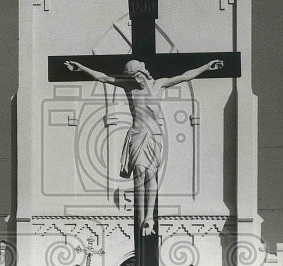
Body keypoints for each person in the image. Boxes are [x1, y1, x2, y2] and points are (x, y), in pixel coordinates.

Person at [64, 57, 224, 236]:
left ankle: (150, 217)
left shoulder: (160, 85)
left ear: (144, 73)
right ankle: (141, 218)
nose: (136, 80)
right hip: (137, 134)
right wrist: (81, 68)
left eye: (137, 76)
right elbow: (103, 77)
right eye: (132, 78)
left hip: (154, 136)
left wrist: (207, 67)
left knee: (150, 174)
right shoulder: (128, 86)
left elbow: (185, 76)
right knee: (139, 173)